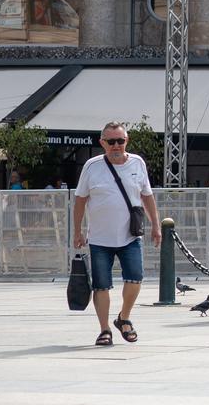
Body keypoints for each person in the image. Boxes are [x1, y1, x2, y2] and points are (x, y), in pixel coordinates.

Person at [72, 122, 162, 347]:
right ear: (102, 143)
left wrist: (156, 226)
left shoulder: (137, 163)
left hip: (130, 236)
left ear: (126, 141)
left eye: (120, 141)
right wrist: (78, 231)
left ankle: (123, 317)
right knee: (101, 285)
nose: (116, 146)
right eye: (110, 141)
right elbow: (80, 200)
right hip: (100, 239)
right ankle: (104, 330)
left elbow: (147, 196)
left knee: (135, 278)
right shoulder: (92, 167)